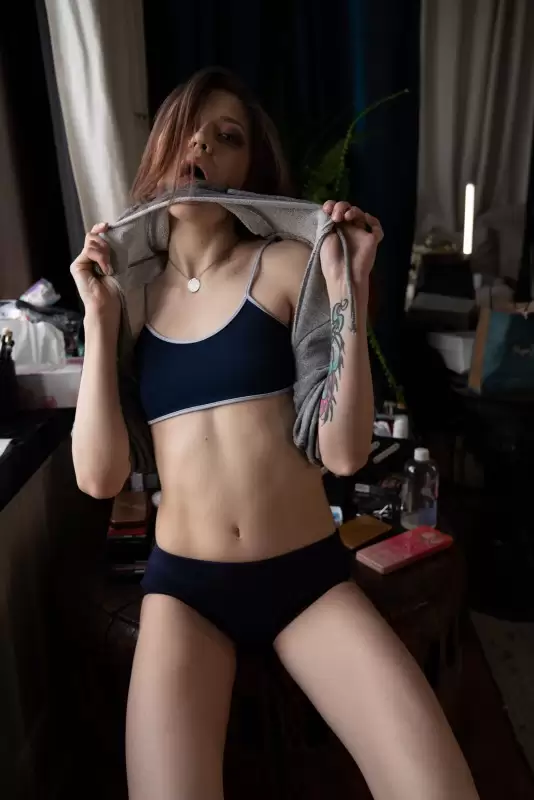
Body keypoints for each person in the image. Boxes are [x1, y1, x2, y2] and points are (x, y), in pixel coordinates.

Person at [71, 67, 479, 800]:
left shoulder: (288, 266)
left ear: (248, 168)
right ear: (161, 149)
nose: (202, 145)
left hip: (306, 579)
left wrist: (351, 287)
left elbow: (344, 452)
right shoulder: (128, 299)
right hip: (185, 590)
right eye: (188, 130)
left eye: (227, 137)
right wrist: (99, 324)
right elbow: (99, 477)